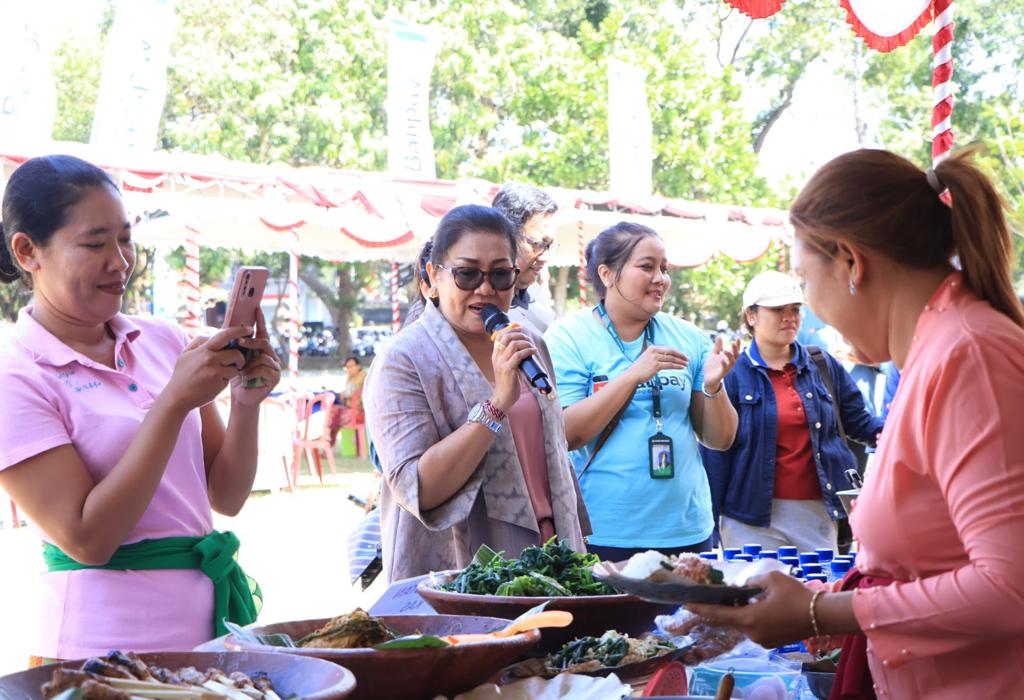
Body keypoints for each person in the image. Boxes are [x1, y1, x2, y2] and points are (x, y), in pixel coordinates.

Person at [685, 149, 1024, 699]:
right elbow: (931, 561)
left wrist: (825, 611)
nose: (805, 311)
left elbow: (1012, 587)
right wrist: (824, 596)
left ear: (851, 262)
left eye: (804, 282)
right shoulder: (935, 354)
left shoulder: (970, 357)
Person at [0, 155, 280, 662]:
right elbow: (88, 539)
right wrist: (173, 403)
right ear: (27, 251)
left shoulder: (162, 339)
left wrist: (245, 402)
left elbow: (228, 494)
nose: (120, 261)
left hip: (205, 639)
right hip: (95, 649)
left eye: (125, 239)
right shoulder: (15, 375)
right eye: (94, 243)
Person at [363, 205, 590, 582]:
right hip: (461, 571)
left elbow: (554, 459)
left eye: (500, 274)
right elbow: (419, 489)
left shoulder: (527, 341)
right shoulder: (402, 359)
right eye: (467, 274)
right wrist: (498, 403)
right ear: (432, 277)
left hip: (550, 556)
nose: (485, 289)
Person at [544, 222, 740, 562]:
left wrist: (713, 387)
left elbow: (720, 438)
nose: (660, 278)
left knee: (687, 618)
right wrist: (633, 375)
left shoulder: (689, 338)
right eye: (647, 266)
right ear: (607, 274)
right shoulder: (568, 338)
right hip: (604, 531)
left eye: (664, 268)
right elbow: (567, 433)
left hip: (687, 530)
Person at [700, 271, 882, 553]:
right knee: (757, 596)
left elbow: (860, 422)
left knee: (817, 593)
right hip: (749, 519)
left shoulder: (822, 364)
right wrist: (711, 525)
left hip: (819, 513)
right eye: (777, 310)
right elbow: (716, 454)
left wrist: (899, 431)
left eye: (795, 309)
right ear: (751, 316)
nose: (789, 317)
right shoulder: (732, 374)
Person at [491, 183, 559, 332]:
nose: (545, 257)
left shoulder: (536, 293)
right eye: (538, 244)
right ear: (505, 236)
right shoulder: (481, 304)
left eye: (549, 245)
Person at [328, 355, 366, 444]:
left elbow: (352, 393)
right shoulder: (350, 378)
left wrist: (343, 395)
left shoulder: (363, 376)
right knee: (332, 409)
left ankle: (329, 443)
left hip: (360, 410)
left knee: (333, 413)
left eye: (351, 366)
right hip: (349, 406)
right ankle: (328, 442)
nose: (349, 369)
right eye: (347, 367)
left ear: (358, 366)